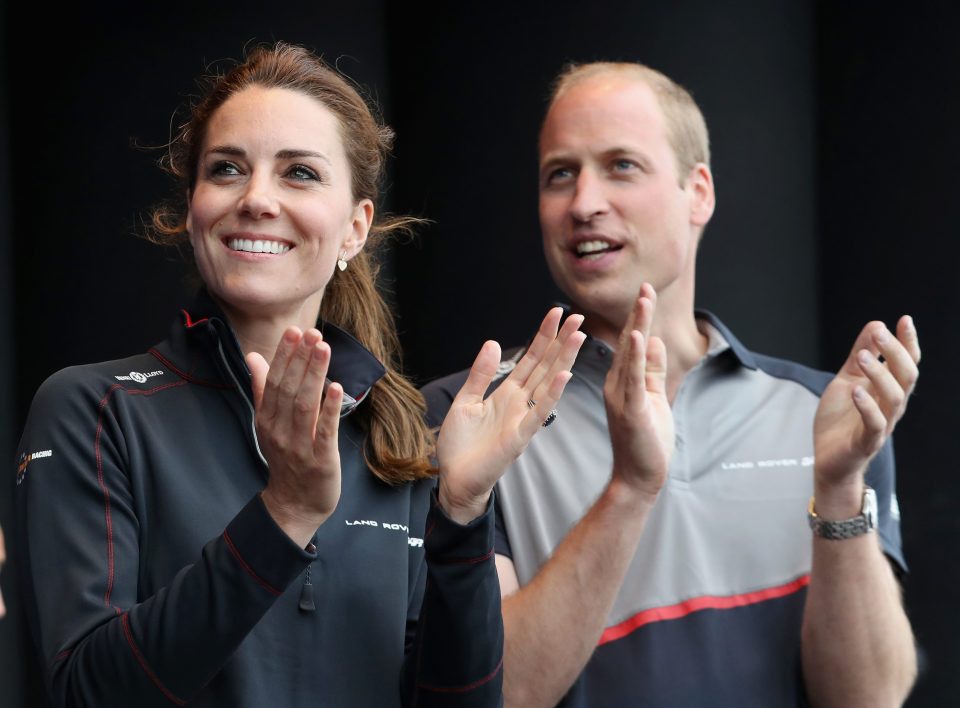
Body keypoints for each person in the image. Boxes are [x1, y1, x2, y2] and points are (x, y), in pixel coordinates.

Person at [14, 42, 585, 708]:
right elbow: (86, 691)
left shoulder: (397, 441)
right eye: (227, 169)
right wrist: (282, 515)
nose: (256, 198)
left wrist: (461, 516)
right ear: (193, 207)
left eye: (299, 174)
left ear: (354, 228)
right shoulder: (93, 409)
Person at [423, 61, 920, 707]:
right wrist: (630, 489)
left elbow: (869, 698)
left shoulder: (823, 412)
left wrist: (838, 488)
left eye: (621, 165)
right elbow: (502, 694)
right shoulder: (466, 415)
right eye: (560, 174)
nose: (583, 203)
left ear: (699, 192)